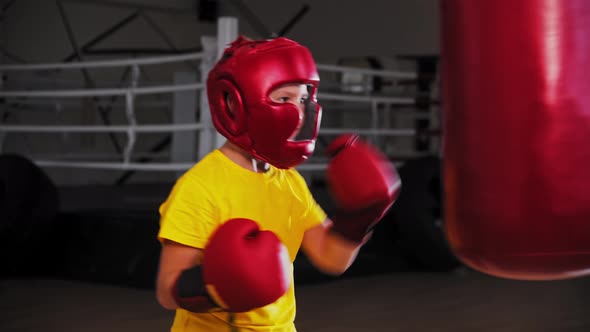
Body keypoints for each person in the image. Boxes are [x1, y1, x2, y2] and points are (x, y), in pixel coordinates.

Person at [155, 36, 401, 331]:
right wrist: (214, 287)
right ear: (234, 104)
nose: (298, 112)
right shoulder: (200, 187)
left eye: (303, 99)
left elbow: (331, 258)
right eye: (284, 99)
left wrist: (357, 219)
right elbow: (167, 292)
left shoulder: (289, 182)